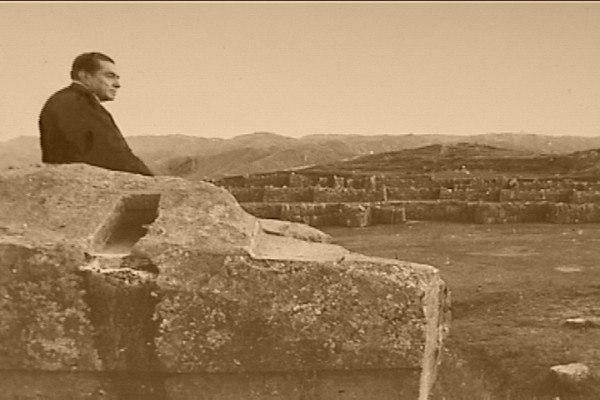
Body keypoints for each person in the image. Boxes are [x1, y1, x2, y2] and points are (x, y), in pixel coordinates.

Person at [39, 52, 153, 176]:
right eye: (109, 76)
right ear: (85, 76)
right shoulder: (83, 104)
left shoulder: (60, 100)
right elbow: (118, 156)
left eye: (117, 78)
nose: (117, 84)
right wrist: (151, 179)